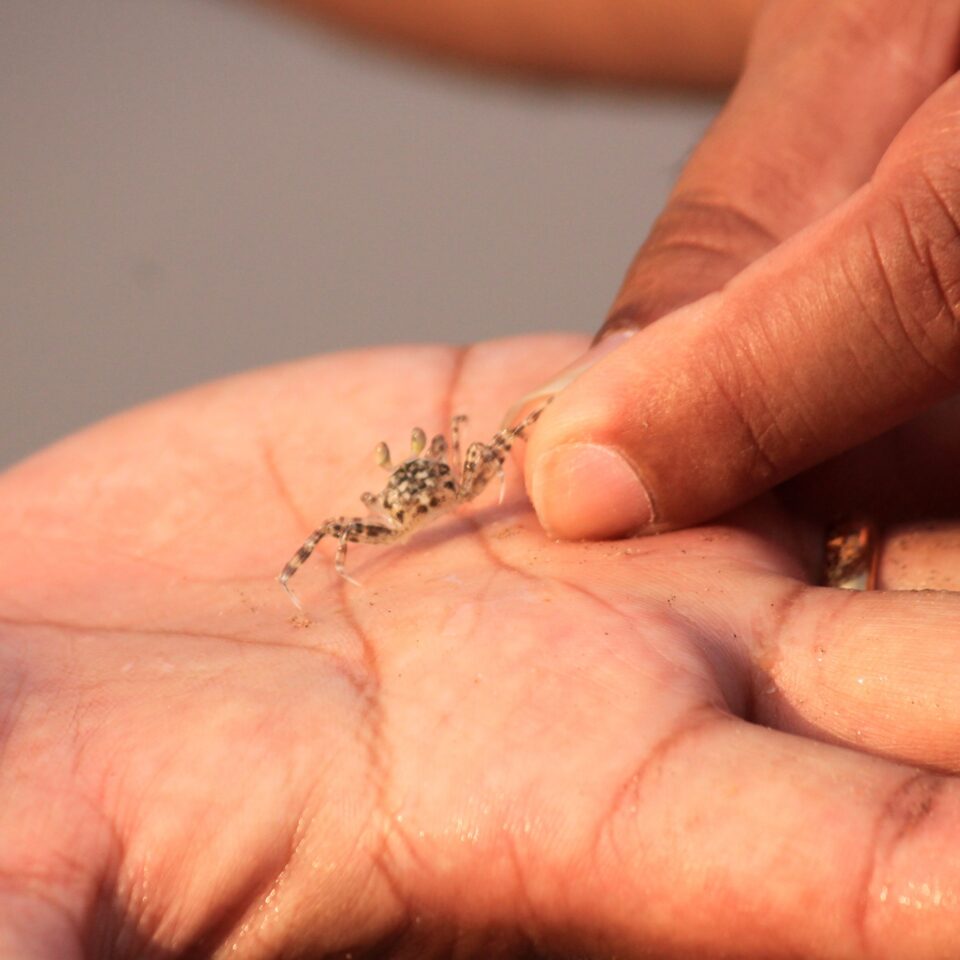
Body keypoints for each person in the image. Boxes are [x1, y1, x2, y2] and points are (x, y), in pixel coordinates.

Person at [2, 0, 960, 956]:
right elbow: (332, 533)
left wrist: (614, 390)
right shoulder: (384, 512)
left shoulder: (467, 460)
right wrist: (301, 587)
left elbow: (500, 439)